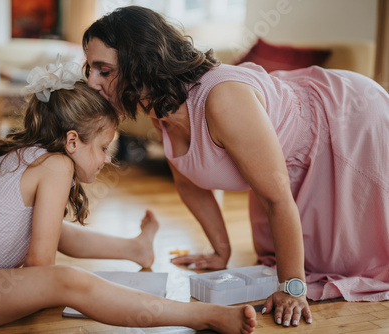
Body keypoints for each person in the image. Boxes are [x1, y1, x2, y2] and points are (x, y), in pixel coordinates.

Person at [83, 5, 389, 328]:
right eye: (89, 69)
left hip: (344, 126)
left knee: (364, 259)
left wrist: (291, 287)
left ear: (139, 63)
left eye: (103, 70)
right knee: (316, 259)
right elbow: (189, 183)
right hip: (296, 158)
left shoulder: (222, 99)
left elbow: (277, 197)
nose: (92, 82)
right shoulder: (160, 111)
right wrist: (221, 251)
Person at [0, 57, 257, 333]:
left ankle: (134, 248)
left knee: (53, 232)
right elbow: (43, 270)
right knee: (68, 280)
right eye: (104, 147)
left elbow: (51, 238)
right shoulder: (56, 166)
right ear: (73, 140)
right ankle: (200, 316)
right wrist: (73, 289)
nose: (107, 158)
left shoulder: (32, 154)